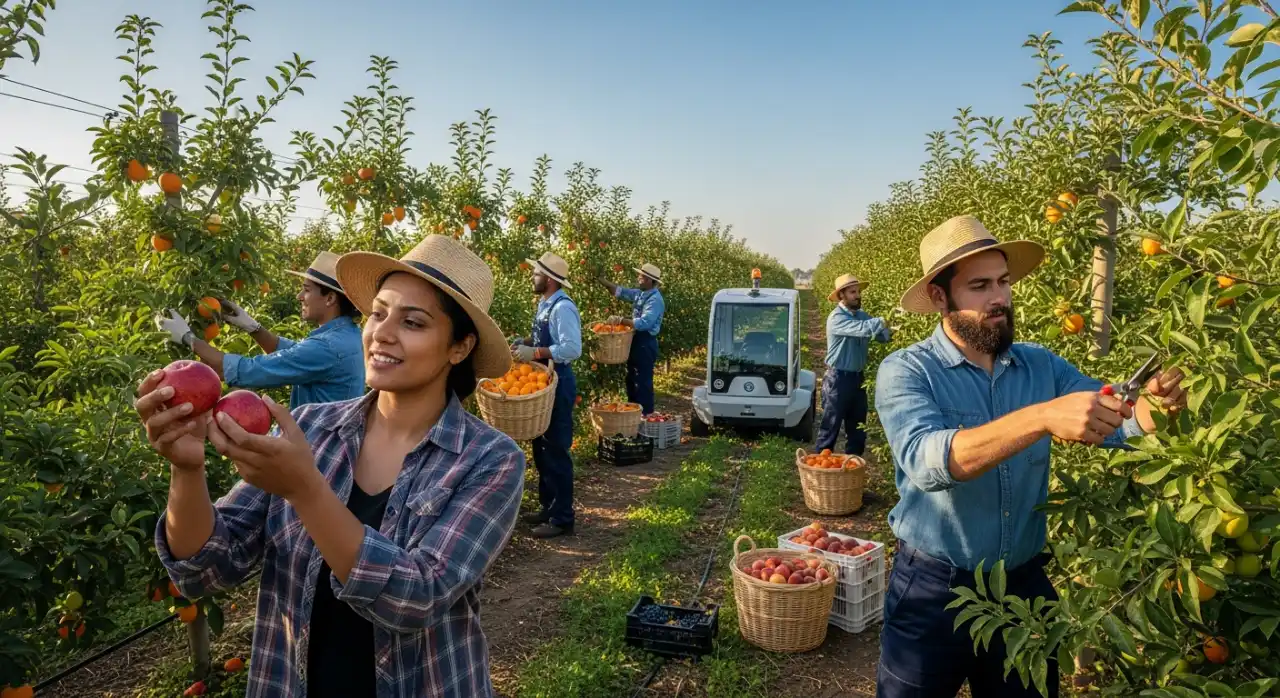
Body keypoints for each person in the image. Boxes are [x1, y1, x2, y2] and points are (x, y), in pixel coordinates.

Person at [137, 235, 524, 698]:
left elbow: (416, 598)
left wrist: (306, 491)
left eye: (413, 322)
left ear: (459, 348)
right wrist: (187, 470)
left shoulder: (489, 459)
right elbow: (206, 566)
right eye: (378, 313)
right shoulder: (311, 429)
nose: (382, 332)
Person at [872, 215, 1187, 697]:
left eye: (1003, 282)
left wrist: (1154, 410)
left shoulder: (1042, 365)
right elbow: (927, 460)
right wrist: (1040, 417)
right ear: (940, 297)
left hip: (1022, 586)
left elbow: (1116, 422)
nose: (999, 297)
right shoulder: (908, 371)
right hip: (934, 590)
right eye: (979, 286)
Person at [154, 251, 365, 409]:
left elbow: (246, 370)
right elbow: (293, 353)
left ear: (330, 298)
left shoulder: (327, 347)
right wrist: (253, 327)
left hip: (314, 452)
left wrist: (188, 337)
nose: (299, 296)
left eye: (307, 290)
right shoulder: (347, 335)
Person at [512, 252, 581, 539]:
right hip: (542, 382)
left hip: (558, 382)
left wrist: (536, 353)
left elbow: (571, 348)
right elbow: (545, 339)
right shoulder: (545, 304)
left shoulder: (562, 308)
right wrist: (524, 342)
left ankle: (563, 518)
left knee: (556, 451)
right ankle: (548, 507)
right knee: (541, 449)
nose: (533, 276)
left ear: (550, 279)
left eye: (537, 273)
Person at [815, 274, 892, 456]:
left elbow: (882, 336)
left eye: (858, 292)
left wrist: (892, 328)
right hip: (838, 379)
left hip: (858, 379)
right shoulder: (836, 318)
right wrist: (883, 320)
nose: (857, 295)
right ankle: (819, 473)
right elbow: (864, 329)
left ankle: (852, 470)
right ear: (842, 295)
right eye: (852, 292)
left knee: (858, 429)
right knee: (830, 428)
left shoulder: (862, 315)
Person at [599, 263, 665, 414]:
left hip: (646, 343)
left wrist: (621, 320)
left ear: (649, 280)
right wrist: (603, 281)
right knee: (632, 379)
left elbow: (644, 323)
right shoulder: (640, 293)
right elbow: (620, 292)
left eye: (641, 276)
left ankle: (645, 417)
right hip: (636, 342)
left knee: (642, 383)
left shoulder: (655, 300)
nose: (639, 278)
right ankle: (632, 416)